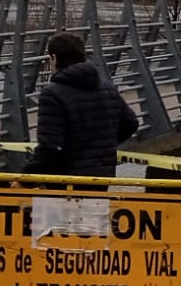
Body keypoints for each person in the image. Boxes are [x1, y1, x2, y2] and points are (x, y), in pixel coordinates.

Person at [24, 32, 139, 178]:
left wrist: (25, 178)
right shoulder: (107, 87)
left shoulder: (52, 93)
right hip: (102, 176)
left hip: (66, 178)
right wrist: (104, 146)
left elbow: (50, 147)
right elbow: (131, 123)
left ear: (54, 58)